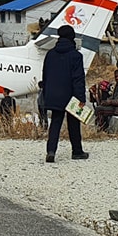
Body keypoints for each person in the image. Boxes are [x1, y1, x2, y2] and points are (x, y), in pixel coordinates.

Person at [40, 24, 88, 162]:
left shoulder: (50, 54)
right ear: (72, 37)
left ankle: (51, 151)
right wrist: (81, 98)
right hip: (70, 95)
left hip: (53, 94)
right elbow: (78, 79)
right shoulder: (76, 56)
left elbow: (46, 75)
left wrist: (46, 93)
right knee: (73, 123)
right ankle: (77, 151)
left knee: (55, 122)